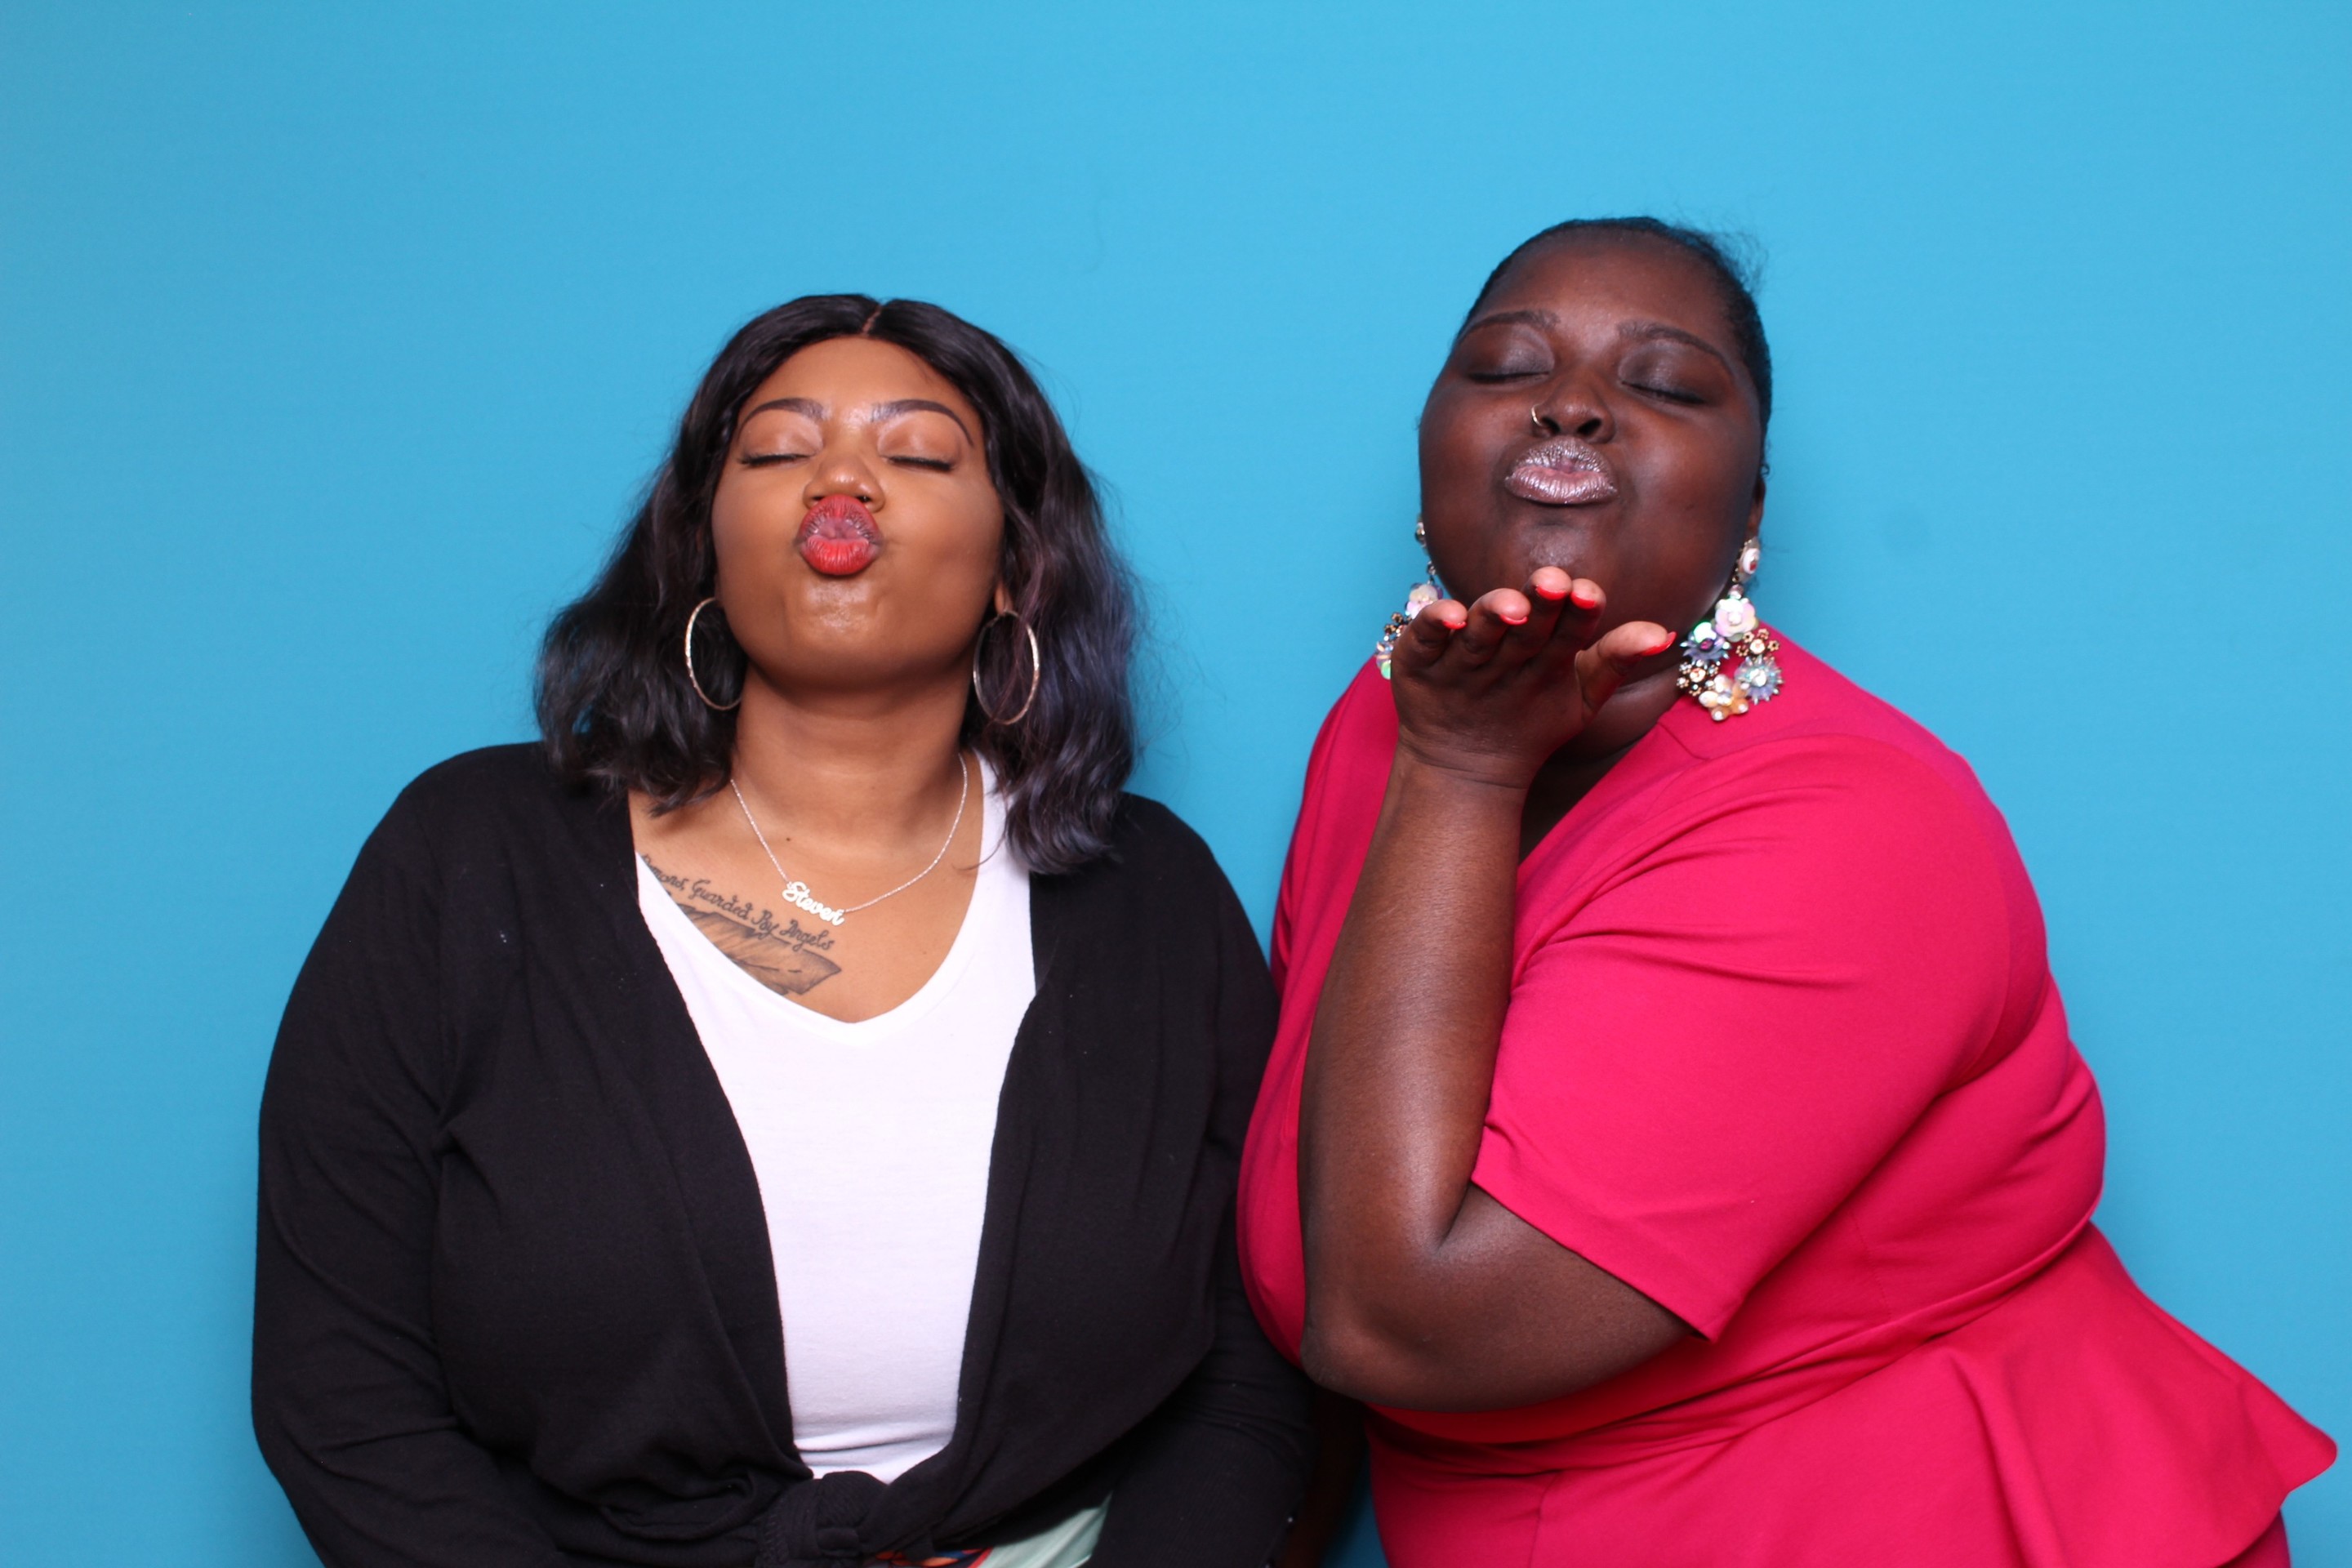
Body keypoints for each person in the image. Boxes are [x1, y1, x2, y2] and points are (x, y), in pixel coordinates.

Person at [1236, 219, 2333, 1566]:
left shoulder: (1858, 830)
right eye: (1507, 365)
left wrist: (1463, 770)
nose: (1570, 402)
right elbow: (1335, 1174)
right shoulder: (1391, 722)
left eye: (1664, 384)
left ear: (1750, 515)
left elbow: (1406, 1321)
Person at [254, 295, 1312, 1568]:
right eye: (776, 450)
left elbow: (1255, 1364)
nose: (840, 481)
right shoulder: (466, 860)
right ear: (703, 544)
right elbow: (340, 1385)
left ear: (1015, 567)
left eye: (916, 453)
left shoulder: (1154, 897)